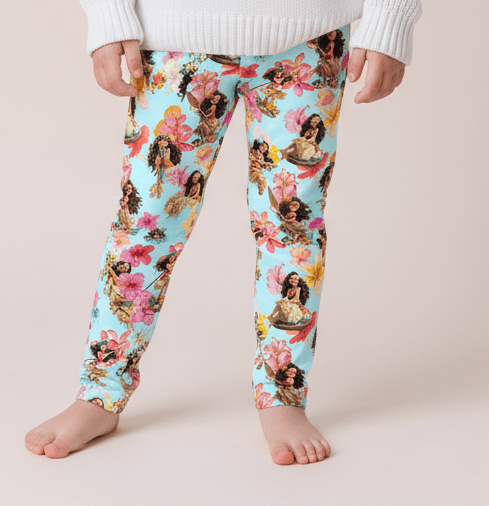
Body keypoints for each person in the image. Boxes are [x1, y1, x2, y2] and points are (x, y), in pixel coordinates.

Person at [25, 0, 423, 465]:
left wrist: (390, 17)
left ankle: (282, 395)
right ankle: (100, 391)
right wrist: (108, 15)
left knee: (291, 227)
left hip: (310, 36)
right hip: (175, 35)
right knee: (145, 223)